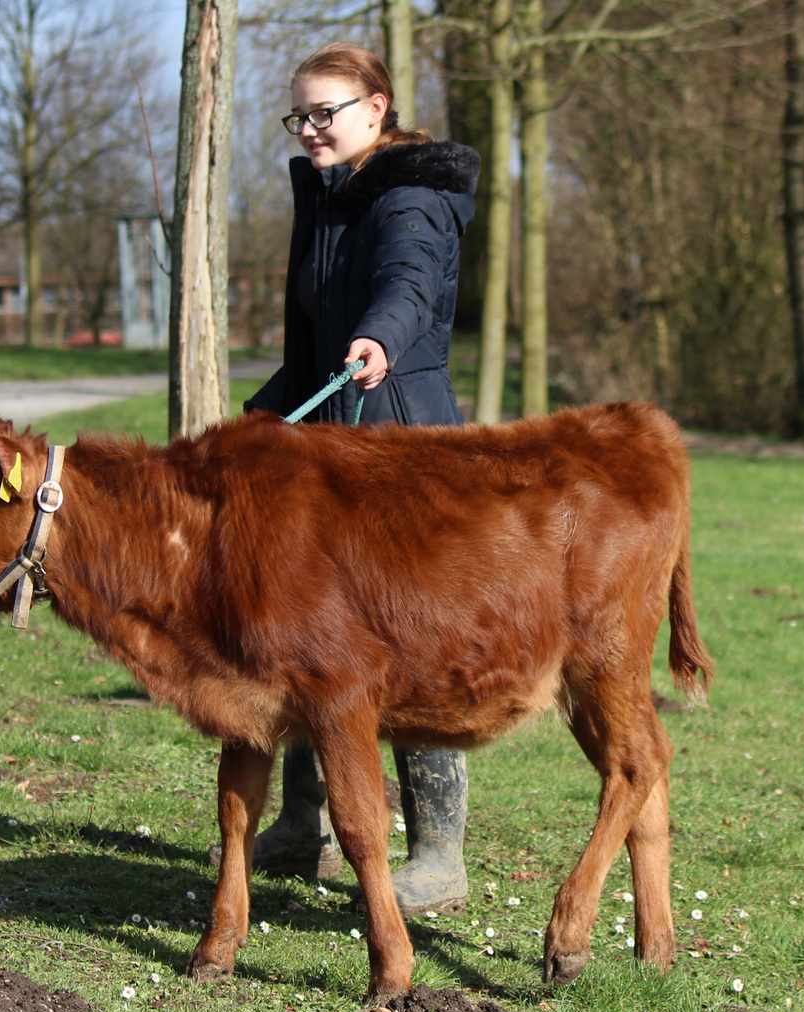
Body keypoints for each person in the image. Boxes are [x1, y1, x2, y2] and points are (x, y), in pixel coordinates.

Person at [243, 42, 480, 916]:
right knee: (313, 637)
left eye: (324, 113)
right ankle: (306, 827)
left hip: (404, 448)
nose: (307, 130)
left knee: (406, 646)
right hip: (331, 446)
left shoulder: (409, 196)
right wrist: (245, 426)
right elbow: (306, 357)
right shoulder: (326, 199)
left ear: (376, 109)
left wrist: (379, 337)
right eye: (297, 116)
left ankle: (439, 857)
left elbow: (408, 287)